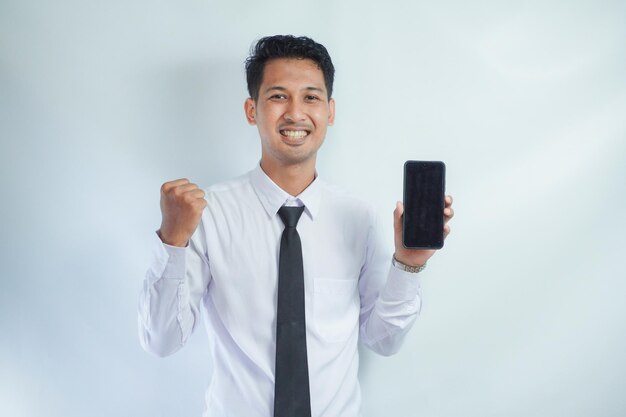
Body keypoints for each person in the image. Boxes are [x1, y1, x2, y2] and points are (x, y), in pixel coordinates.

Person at [138, 35, 454, 417]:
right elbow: (162, 341)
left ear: (330, 110)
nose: (295, 113)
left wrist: (409, 262)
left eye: (310, 97)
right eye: (277, 96)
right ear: (251, 110)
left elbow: (383, 340)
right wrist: (172, 241)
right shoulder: (210, 213)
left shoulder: (357, 217)